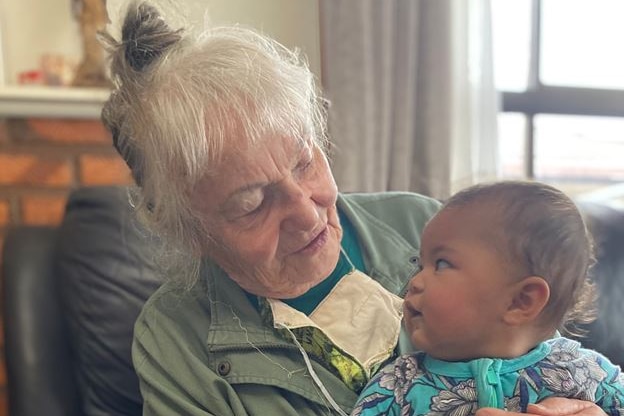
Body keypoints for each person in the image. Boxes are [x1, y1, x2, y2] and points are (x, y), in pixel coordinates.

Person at [100, 2, 612, 415]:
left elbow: (538, 353)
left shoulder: (424, 226)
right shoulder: (175, 341)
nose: (309, 211)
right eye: (252, 203)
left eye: (304, 162)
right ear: (188, 230)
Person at [351, 181, 624, 416]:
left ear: (521, 301)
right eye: (420, 265)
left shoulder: (582, 370)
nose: (415, 281)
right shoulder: (397, 384)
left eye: (442, 264)